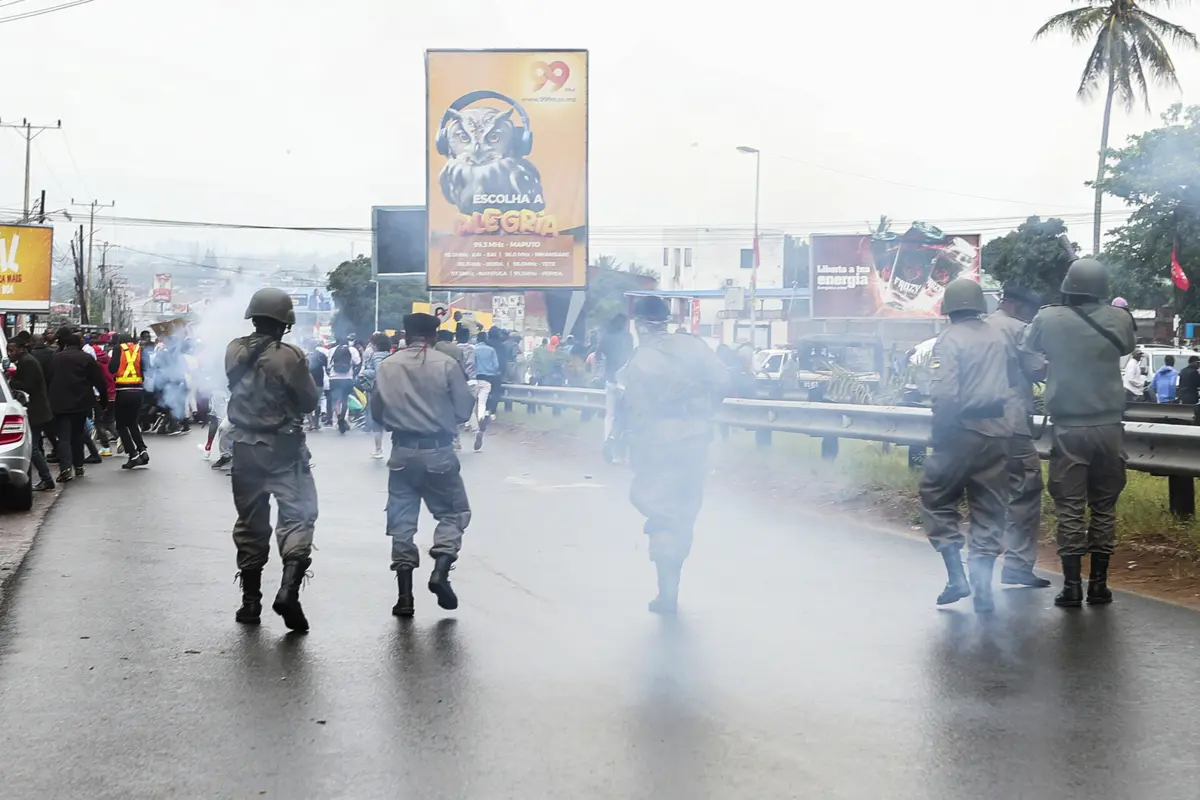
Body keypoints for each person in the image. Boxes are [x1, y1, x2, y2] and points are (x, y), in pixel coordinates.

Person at [1024, 258, 1137, 607]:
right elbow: (1127, 347)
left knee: (1070, 506)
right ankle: (1099, 585)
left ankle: (1071, 586)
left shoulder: (1048, 318)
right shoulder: (1119, 317)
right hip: (1109, 427)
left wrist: (1048, 370)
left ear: (1068, 287)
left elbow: (1028, 354)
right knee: (1104, 506)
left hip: (1069, 428)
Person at [620, 295, 730, 614]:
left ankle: (666, 592)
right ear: (666, 321)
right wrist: (704, 410)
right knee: (687, 509)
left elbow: (637, 415)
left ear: (640, 324)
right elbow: (723, 380)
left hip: (659, 444)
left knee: (662, 512)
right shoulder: (693, 346)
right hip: (696, 439)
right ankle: (671, 588)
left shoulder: (638, 362)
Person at [226, 288, 321, 631]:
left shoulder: (233, 349)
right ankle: (288, 592)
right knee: (298, 517)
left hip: (244, 449)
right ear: (284, 323)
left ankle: (250, 604)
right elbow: (308, 401)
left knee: (250, 524)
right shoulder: (289, 355)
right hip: (283, 449)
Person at [920, 279, 1016, 614]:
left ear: (949, 309)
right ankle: (983, 590)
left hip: (961, 430)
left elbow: (945, 394)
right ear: (980, 305)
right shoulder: (997, 335)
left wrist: (940, 433)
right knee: (990, 507)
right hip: (999, 431)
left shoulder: (949, 340)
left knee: (936, 495)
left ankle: (956, 576)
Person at [370, 312, 474, 617]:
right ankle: (441, 568)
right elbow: (465, 410)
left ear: (406, 333)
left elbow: (376, 410)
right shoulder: (447, 364)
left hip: (401, 453)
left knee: (402, 524)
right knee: (453, 513)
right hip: (438, 451)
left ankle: (404, 599)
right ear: (435, 334)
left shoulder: (387, 365)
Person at [986, 285, 1051, 589]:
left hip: (974, 427)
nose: (1030, 314)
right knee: (1026, 488)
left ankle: (978, 566)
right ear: (1016, 305)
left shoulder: (977, 327)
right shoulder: (1018, 329)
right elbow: (1037, 369)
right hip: (1010, 425)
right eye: (1029, 309)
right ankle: (1017, 564)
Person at [46, 330, 109, 483]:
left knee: (64, 437)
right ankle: (79, 466)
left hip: (60, 404)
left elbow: (49, 379)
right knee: (78, 435)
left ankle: (66, 469)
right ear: (80, 344)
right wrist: (103, 401)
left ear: (66, 344)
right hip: (81, 404)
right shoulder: (86, 358)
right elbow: (99, 381)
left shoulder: (57, 358)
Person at [6, 337, 55, 491]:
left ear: (21, 349)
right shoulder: (25, 361)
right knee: (36, 446)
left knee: (32, 448)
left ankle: (46, 478)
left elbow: (29, 386)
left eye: (12, 350)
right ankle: (44, 477)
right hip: (37, 409)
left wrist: (12, 381)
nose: (10, 353)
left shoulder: (27, 362)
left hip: (35, 410)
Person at [110, 333, 152, 469]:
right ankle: (142, 450)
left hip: (123, 391)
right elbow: (147, 369)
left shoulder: (117, 349)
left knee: (121, 425)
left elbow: (112, 368)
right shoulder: (140, 349)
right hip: (138, 391)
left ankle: (133, 455)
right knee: (133, 423)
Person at [598, 314, 634, 444]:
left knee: (610, 415)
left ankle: (608, 440)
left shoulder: (606, 337)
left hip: (610, 380)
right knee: (624, 415)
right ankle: (620, 442)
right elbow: (630, 357)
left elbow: (598, 354)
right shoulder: (627, 337)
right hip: (624, 381)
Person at [361, 332, 392, 458]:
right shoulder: (391, 355)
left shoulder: (376, 356)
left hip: (378, 390)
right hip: (392, 389)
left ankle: (378, 449)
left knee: (376, 420)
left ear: (376, 344)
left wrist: (365, 372)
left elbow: (379, 371)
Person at [473, 330, 502, 450]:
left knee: (472, 402)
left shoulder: (473, 349)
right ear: (485, 339)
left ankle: (471, 424)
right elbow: (496, 365)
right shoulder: (491, 350)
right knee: (482, 402)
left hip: (475, 378)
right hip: (488, 378)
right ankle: (481, 418)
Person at [327, 336, 361, 434]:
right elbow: (358, 362)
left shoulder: (332, 350)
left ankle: (338, 417)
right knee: (344, 399)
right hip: (347, 378)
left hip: (334, 378)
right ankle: (342, 416)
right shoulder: (352, 350)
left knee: (336, 400)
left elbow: (329, 365)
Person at [305, 341, 329, 431]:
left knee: (307, 404)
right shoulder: (321, 356)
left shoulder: (306, 356)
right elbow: (327, 368)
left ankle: (312, 424)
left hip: (308, 384)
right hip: (319, 383)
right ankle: (316, 423)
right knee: (318, 403)